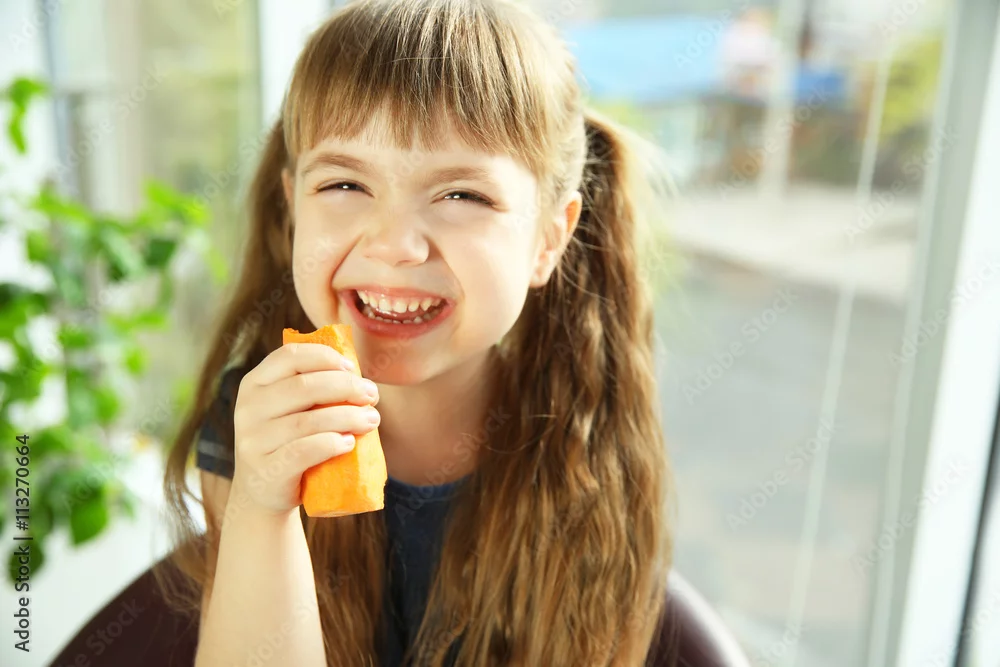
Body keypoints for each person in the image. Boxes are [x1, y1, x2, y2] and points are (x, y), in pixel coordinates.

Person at [159, 0, 676, 664]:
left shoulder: (588, 435)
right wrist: (262, 504)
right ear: (293, 210)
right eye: (345, 184)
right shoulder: (253, 423)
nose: (396, 245)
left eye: (463, 195)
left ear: (549, 239)